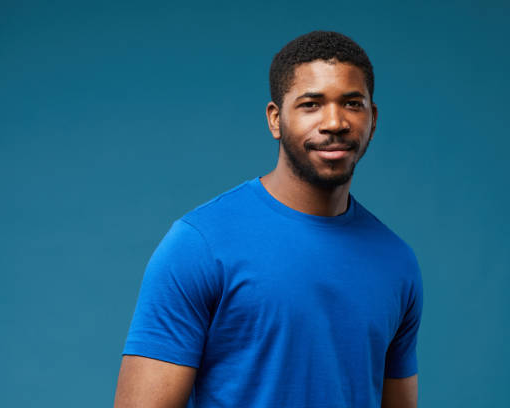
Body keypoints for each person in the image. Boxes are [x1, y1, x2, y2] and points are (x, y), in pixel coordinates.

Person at [114, 30, 423, 408]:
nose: (334, 122)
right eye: (311, 104)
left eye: (352, 103)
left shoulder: (397, 262)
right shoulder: (200, 244)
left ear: (372, 119)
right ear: (276, 119)